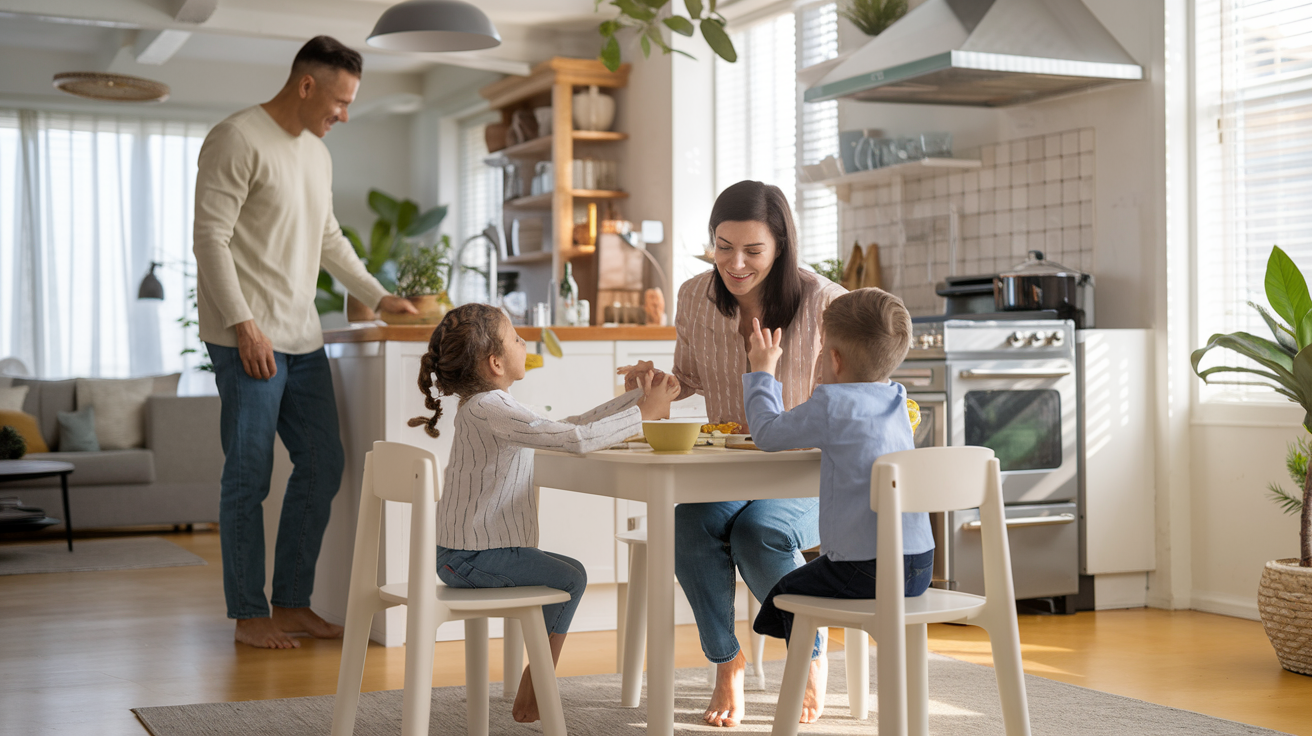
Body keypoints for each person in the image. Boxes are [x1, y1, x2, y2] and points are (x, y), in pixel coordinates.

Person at [194, 35, 419, 649]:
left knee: (324, 463)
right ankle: (249, 613)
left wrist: (377, 296)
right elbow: (210, 240)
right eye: (341, 100)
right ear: (306, 85)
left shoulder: (316, 154)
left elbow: (329, 238)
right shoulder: (236, 138)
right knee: (249, 475)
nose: (344, 114)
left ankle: (292, 602)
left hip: (301, 334)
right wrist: (243, 323)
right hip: (247, 338)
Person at [619, 180, 847, 727]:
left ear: (782, 246)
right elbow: (693, 379)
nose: (735, 263)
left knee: (759, 531)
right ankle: (728, 662)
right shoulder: (695, 296)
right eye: (724, 246)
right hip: (730, 468)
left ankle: (807, 655)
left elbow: (848, 395)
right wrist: (659, 382)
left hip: (807, 473)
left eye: (753, 250)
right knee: (687, 523)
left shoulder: (823, 301)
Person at [409, 303, 681, 723]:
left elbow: (571, 425)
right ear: (496, 362)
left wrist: (636, 399)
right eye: (516, 337)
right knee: (571, 577)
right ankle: (533, 691)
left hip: (470, 554)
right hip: (469, 558)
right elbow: (575, 438)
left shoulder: (493, 405)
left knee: (570, 570)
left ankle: (534, 686)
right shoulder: (490, 408)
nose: (524, 342)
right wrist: (643, 413)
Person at [744, 289, 934, 676]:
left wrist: (763, 370)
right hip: (919, 566)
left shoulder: (832, 404)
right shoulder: (897, 399)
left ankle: (806, 670)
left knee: (783, 595)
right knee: (792, 593)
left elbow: (766, 433)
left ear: (833, 358)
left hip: (864, 568)